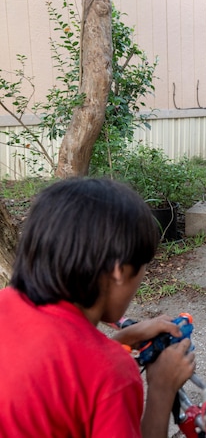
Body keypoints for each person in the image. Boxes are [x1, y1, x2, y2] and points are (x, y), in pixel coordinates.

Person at [0, 178, 195, 438]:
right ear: (119, 271)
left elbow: (58, 370)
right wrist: (162, 389)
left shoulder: (5, 301)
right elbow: (90, 373)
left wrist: (121, 340)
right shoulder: (110, 374)